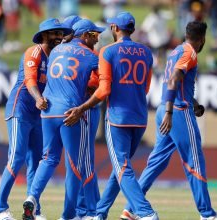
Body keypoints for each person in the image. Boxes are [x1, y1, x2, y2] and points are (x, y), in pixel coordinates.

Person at [120, 21, 217, 220]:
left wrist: (194, 103)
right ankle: (207, 214)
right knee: (195, 161)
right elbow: (174, 80)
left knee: (156, 162)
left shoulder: (175, 51)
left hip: (164, 109)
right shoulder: (190, 53)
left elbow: (178, 84)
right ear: (202, 39)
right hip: (177, 112)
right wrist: (170, 112)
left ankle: (131, 208)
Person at [64, 12, 158, 220]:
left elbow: (104, 89)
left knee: (122, 167)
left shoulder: (108, 51)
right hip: (140, 117)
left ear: (115, 28)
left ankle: (145, 212)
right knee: (121, 167)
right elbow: (146, 87)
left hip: (117, 118)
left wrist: (81, 108)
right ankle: (100, 213)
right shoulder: (146, 52)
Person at [0, 18, 71, 220]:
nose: (59, 37)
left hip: (38, 114)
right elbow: (30, 80)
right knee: (16, 158)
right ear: (43, 36)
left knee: (36, 162)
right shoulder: (33, 52)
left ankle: (33, 210)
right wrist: (38, 98)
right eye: (54, 33)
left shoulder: (55, 58)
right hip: (20, 110)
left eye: (61, 34)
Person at [22, 19, 104, 220]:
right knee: (75, 165)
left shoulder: (56, 51)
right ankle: (68, 215)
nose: (97, 38)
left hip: (48, 111)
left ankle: (32, 197)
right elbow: (104, 82)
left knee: (48, 159)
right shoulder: (91, 55)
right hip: (71, 113)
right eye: (94, 35)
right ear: (84, 35)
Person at [62, 15, 102, 219]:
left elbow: (96, 83)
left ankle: (86, 208)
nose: (97, 38)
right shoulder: (79, 53)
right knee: (81, 161)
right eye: (94, 34)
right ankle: (88, 208)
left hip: (85, 109)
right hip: (82, 109)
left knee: (82, 161)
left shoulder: (73, 52)